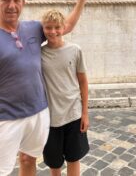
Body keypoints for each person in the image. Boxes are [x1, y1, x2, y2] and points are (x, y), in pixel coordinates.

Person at [0, 0, 86, 176]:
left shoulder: (33, 28)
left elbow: (65, 27)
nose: (11, 5)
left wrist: (81, 0)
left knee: (29, 158)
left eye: (16, 0)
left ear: (23, 3)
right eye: (5, 0)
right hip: (6, 117)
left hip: (38, 112)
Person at [41, 9, 89, 176]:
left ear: (63, 28)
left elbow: (83, 82)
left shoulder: (75, 50)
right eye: (48, 27)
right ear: (43, 28)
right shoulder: (38, 54)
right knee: (54, 163)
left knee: (73, 159)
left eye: (57, 27)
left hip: (74, 115)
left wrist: (85, 113)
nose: (53, 31)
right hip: (50, 119)